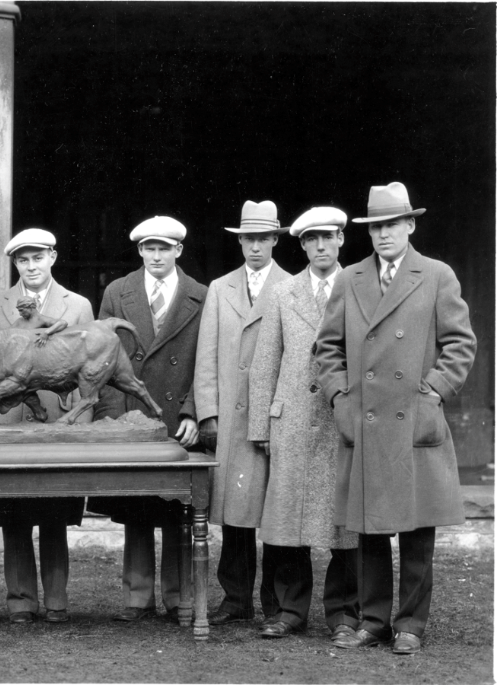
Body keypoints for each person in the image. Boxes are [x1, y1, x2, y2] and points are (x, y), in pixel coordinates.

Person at [315, 182, 476, 655]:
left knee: (416, 530)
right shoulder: (351, 279)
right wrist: (340, 398)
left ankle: (411, 624)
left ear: (410, 225)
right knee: (369, 528)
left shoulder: (437, 274)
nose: (384, 234)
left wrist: (433, 393)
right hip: (363, 420)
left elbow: (460, 345)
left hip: (413, 419)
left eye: (392, 224)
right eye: (376, 226)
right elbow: (327, 349)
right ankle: (374, 620)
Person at [247, 207, 359, 640]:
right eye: (311, 239)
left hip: (340, 421)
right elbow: (265, 362)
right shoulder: (283, 291)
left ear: (341, 240)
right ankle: (288, 612)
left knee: (343, 526)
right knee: (287, 521)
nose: (320, 246)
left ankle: (344, 615)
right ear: (302, 245)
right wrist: (261, 425)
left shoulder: (358, 288)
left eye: (327, 237)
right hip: (290, 418)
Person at [88, 216, 205, 622]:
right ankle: (137, 597)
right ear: (139, 250)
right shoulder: (118, 292)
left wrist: (194, 412)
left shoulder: (200, 295)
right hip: (130, 417)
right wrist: (108, 418)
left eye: (164, 248)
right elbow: (101, 358)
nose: (156, 255)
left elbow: (206, 362)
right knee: (135, 506)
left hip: (176, 418)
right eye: (148, 248)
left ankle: (178, 598)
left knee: (177, 509)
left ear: (179, 251)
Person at [0, 228, 94, 624]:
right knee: (14, 517)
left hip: (59, 421)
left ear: (53, 258)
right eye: (23, 260)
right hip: (9, 424)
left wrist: (83, 432)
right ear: (15, 263)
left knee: (56, 515)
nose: (31, 266)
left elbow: (88, 369)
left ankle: (57, 600)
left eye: (38, 258)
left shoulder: (76, 306)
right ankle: (20, 601)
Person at [193, 200, 290, 626]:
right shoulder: (220, 287)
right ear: (240, 241)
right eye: (248, 238)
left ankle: (276, 600)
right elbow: (206, 355)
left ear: (274, 239)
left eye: (263, 238)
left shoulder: (291, 286)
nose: (255, 246)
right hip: (231, 420)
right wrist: (208, 413)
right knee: (234, 512)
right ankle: (235, 598)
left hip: (271, 416)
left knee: (274, 511)